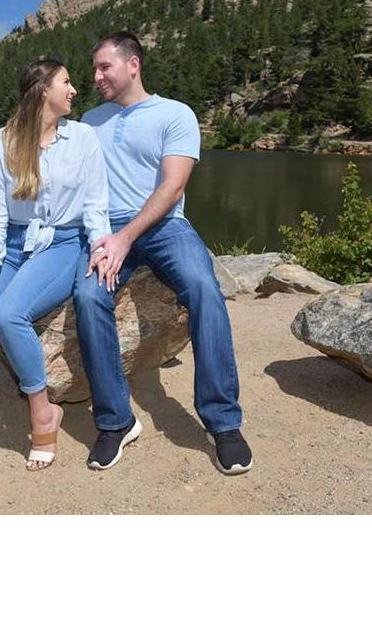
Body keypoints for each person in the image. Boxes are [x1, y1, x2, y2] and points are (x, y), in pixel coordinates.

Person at [72, 31, 252, 475]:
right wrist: (102, 236)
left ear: (133, 64)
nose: (96, 77)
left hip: (164, 224)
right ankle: (116, 421)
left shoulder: (175, 114)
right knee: (88, 297)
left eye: (104, 67)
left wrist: (126, 237)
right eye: (94, 69)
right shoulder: (90, 120)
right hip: (105, 229)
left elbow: (173, 186)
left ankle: (223, 422)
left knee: (203, 287)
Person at [0, 58, 112, 471]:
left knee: (9, 315)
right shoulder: (1, 142)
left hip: (63, 243)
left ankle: (43, 412)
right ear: (43, 89)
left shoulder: (83, 138)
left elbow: (96, 203)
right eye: (66, 82)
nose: (74, 90)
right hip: (10, 246)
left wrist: (100, 247)